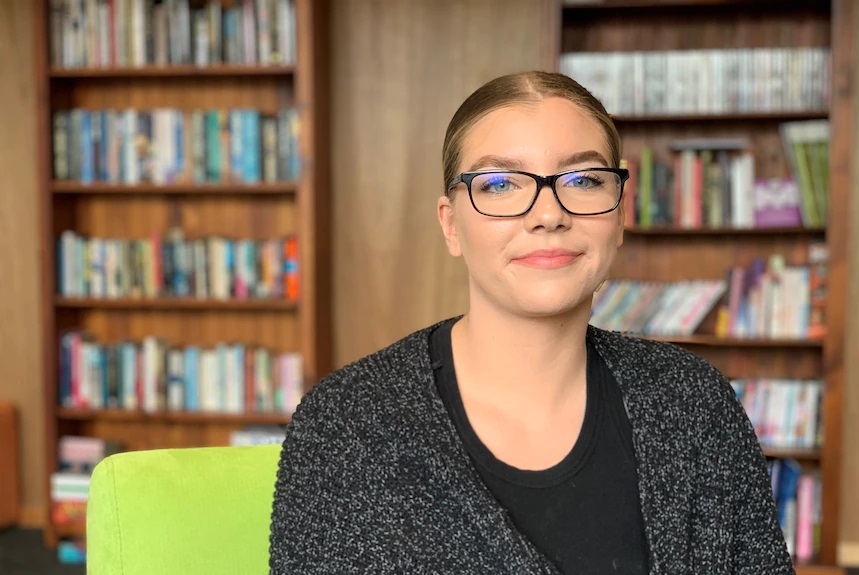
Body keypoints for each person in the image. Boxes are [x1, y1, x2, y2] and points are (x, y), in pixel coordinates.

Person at [269, 71, 793, 575]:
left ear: (620, 214)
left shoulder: (696, 405)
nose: (548, 214)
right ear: (451, 225)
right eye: (500, 184)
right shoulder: (349, 423)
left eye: (584, 179)